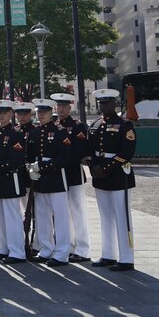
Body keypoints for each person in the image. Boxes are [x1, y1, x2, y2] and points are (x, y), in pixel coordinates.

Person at [89, 88, 137, 272]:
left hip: (118, 176)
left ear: (115, 103)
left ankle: (126, 258)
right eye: (101, 103)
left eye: (107, 102)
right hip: (100, 176)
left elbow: (127, 153)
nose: (103, 106)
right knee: (105, 218)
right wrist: (93, 166)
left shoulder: (125, 125)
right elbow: (90, 149)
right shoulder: (95, 124)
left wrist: (105, 167)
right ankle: (108, 254)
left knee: (122, 217)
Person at [27, 99, 72, 267]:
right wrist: (30, 168)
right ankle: (46, 249)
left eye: (44, 112)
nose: (41, 115)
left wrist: (43, 166)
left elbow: (65, 157)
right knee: (42, 217)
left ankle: (62, 253)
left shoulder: (60, 132)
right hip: (39, 179)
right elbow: (28, 155)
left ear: (50, 112)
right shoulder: (34, 133)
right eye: (39, 112)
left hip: (56, 179)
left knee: (60, 218)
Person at [53, 92, 92, 263]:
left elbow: (80, 151)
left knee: (78, 212)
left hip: (73, 174)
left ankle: (82, 249)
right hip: (57, 176)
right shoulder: (54, 125)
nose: (60, 109)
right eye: (58, 106)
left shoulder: (77, 126)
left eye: (63, 106)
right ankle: (68, 246)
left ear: (70, 108)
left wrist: (62, 162)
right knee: (63, 214)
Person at [0, 101, 29, 264]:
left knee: (13, 217)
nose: (1, 116)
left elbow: (17, 160)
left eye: (5, 113)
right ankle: (4, 248)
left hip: (11, 179)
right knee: (1, 217)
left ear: (11, 114)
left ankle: (17, 251)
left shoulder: (16, 134)